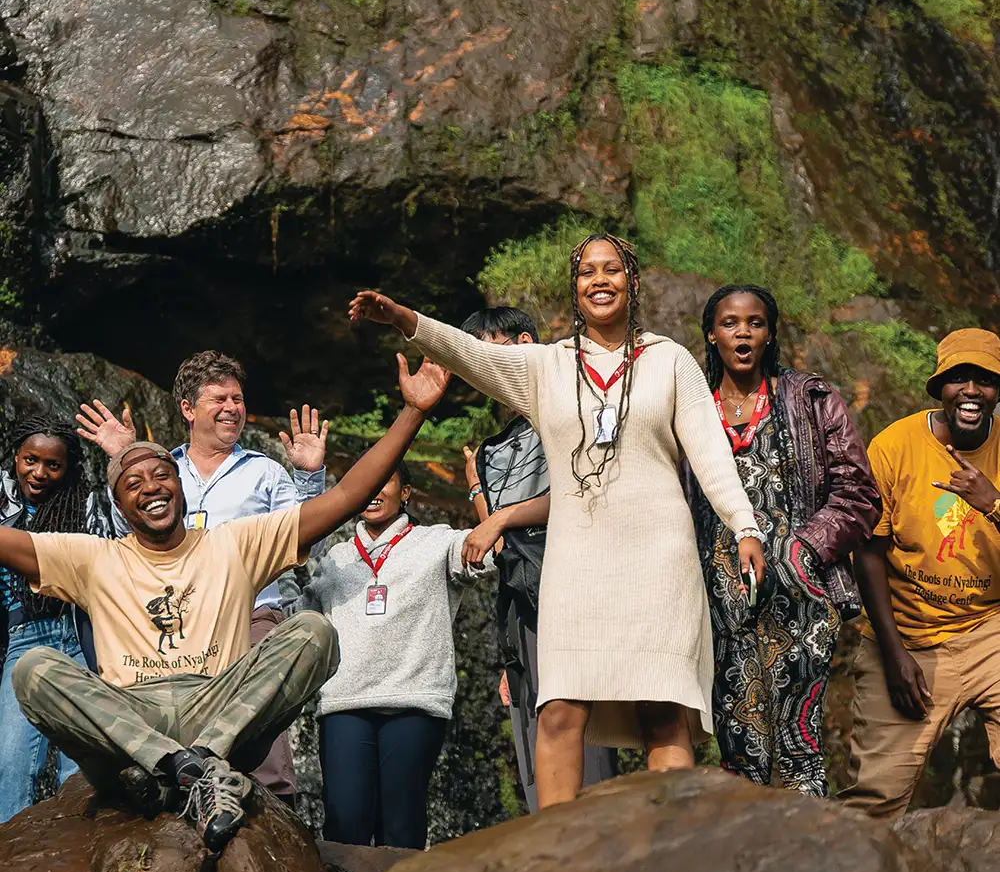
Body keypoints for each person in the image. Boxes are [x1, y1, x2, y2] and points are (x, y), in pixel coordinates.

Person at [349, 232, 765, 808]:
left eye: (612, 269)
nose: (600, 280)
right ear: (575, 289)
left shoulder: (670, 359)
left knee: (664, 715)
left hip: (659, 558)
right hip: (576, 563)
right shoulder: (546, 366)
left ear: (632, 282)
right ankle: (555, 856)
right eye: (587, 272)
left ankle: (670, 856)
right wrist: (404, 319)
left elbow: (711, 452)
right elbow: (473, 354)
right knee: (560, 709)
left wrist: (743, 524)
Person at [6, 353, 449, 850]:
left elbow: (346, 497)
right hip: (128, 710)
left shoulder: (234, 543)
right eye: (133, 483)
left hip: (217, 704)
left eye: (161, 476)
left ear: (181, 485)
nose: (151, 486)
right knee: (34, 668)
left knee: (314, 633)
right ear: (119, 505)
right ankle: (180, 767)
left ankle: (191, 761)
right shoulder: (93, 557)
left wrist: (413, 412)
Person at [77, 349, 329, 802]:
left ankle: (275, 824)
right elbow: (123, 545)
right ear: (188, 409)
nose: (233, 407)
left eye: (238, 397)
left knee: (265, 750)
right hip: (169, 626)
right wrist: (124, 459)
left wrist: (309, 479)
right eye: (220, 398)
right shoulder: (159, 473)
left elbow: (303, 544)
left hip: (254, 618)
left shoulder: (266, 473)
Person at [684, 285, 881, 796]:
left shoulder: (812, 398)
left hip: (801, 596)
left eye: (755, 323)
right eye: (730, 323)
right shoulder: (689, 408)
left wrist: (806, 549)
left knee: (800, 744)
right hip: (716, 603)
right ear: (712, 334)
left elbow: (859, 493)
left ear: (770, 334)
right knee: (737, 745)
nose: (743, 332)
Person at [459, 306, 617, 812]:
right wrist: (478, 494)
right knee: (531, 737)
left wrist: (501, 517)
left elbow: (583, 492)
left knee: (581, 737)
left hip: (577, 590)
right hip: (522, 606)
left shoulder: (576, 410)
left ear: (526, 343)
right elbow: (497, 552)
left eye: (492, 349)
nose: (485, 366)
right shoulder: (492, 448)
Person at [841, 329, 1000, 817]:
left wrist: (992, 503)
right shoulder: (895, 447)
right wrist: (894, 654)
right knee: (874, 803)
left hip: (990, 629)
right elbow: (868, 552)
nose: (970, 391)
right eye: (958, 379)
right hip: (907, 634)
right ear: (940, 388)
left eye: (984, 380)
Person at [299, 457, 495, 848]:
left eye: (385, 481)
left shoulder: (437, 543)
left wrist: (478, 493)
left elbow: (490, 552)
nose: (373, 491)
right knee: (344, 827)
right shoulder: (332, 558)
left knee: (401, 828)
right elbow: (293, 590)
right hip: (346, 702)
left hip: (414, 701)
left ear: (405, 493)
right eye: (365, 481)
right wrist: (307, 479)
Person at [0, 417, 116, 822]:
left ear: (68, 469)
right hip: (23, 638)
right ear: (16, 455)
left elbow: (113, 558)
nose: (39, 473)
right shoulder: (0, 501)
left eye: (53, 465)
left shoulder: (83, 503)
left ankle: (82, 852)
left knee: (80, 766)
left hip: (81, 637)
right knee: (10, 759)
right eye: (31, 460)